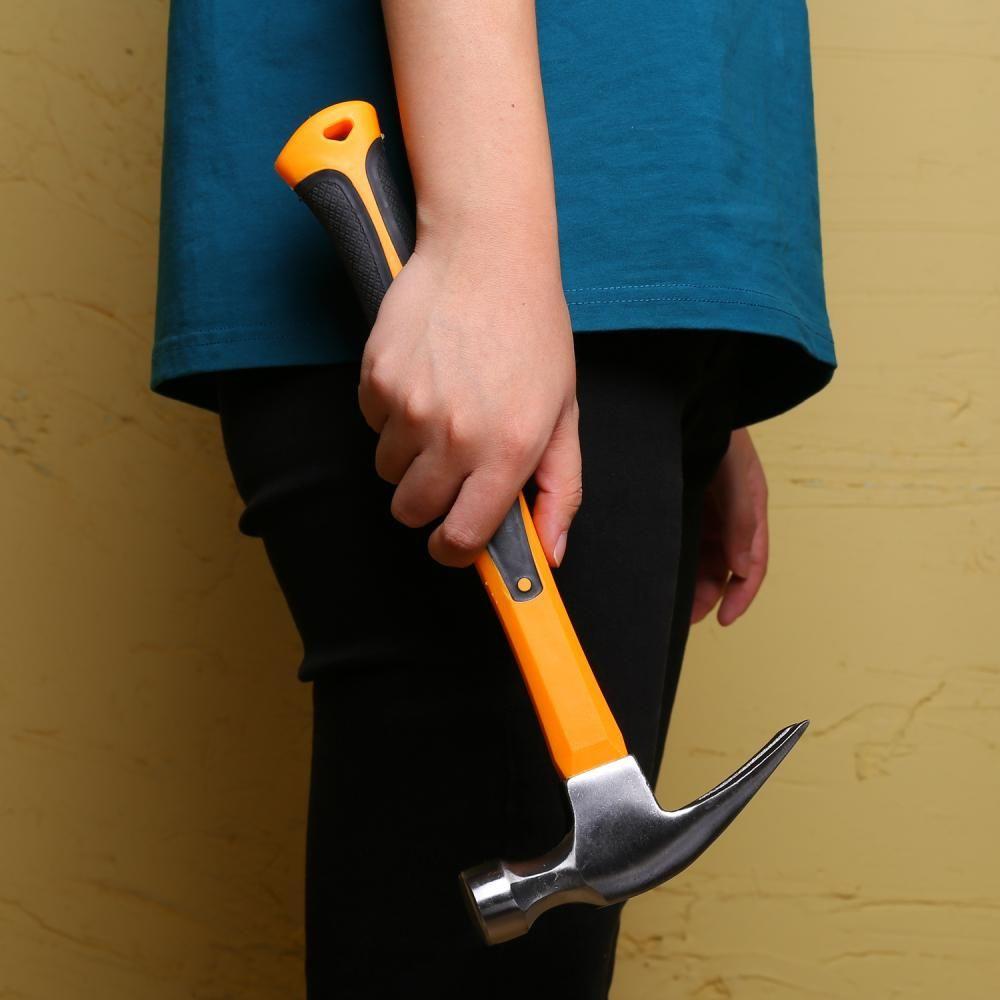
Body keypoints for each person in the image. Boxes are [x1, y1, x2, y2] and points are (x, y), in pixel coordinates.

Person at [153, 1, 835, 996]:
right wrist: (485, 245)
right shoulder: (496, 243)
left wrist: (698, 382)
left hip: (611, 281)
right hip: (488, 229)